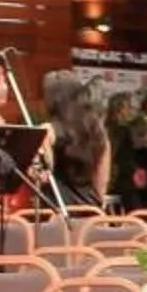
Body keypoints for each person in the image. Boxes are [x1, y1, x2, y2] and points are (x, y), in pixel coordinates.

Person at [40, 69, 111, 211]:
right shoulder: (98, 132)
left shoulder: (48, 131)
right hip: (91, 211)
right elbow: (101, 181)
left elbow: (44, 173)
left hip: (56, 213)